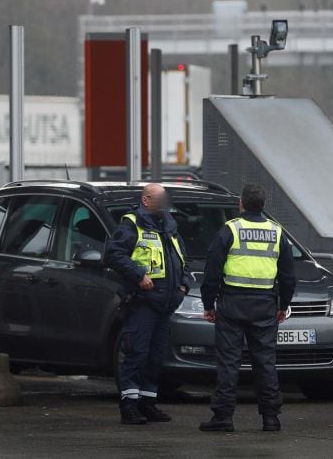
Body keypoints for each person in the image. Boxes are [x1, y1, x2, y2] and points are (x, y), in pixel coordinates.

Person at [198, 183, 296, 433]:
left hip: (232, 304)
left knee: (229, 362)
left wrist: (209, 304)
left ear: (241, 204)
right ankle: (271, 418)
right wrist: (283, 305)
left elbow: (212, 271)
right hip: (265, 305)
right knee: (265, 362)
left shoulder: (230, 230)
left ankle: (223, 417)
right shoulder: (277, 232)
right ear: (263, 205)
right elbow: (288, 276)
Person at [103, 183, 191, 425]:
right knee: (136, 355)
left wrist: (184, 285)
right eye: (160, 198)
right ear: (146, 200)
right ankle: (129, 406)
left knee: (155, 357)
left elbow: (181, 258)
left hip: (166, 303)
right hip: (143, 303)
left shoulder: (169, 226)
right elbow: (113, 254)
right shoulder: (132, 224)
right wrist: (139, 275)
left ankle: (148, 403)